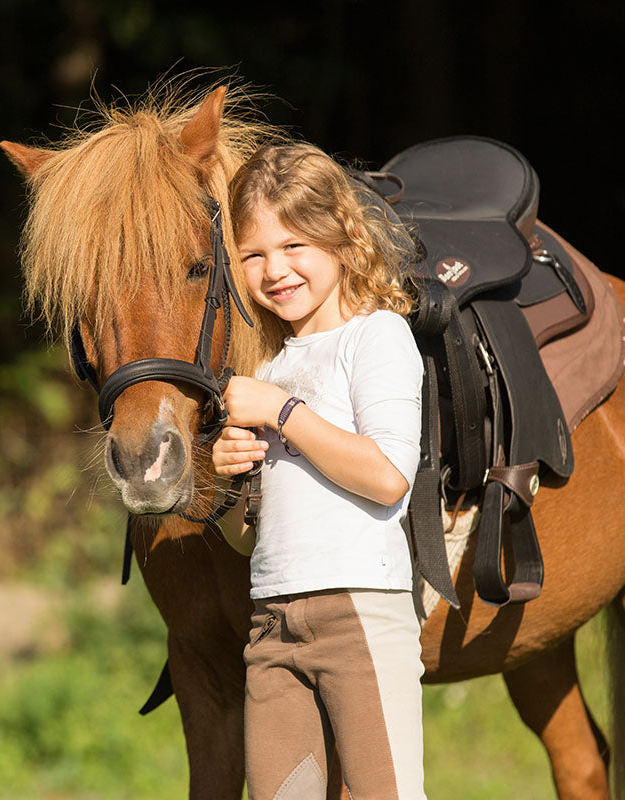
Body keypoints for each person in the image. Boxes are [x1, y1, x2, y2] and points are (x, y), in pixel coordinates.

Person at [212, 141, 426, 799]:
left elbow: (389, 475)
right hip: (272, 621)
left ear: (340, 238)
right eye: (253, 255)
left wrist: (283, 412)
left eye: (294, 245)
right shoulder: (269, 370)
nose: (274, 269)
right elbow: (249, 539)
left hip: (360, 610)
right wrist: (227, 491)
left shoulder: (378, 336)